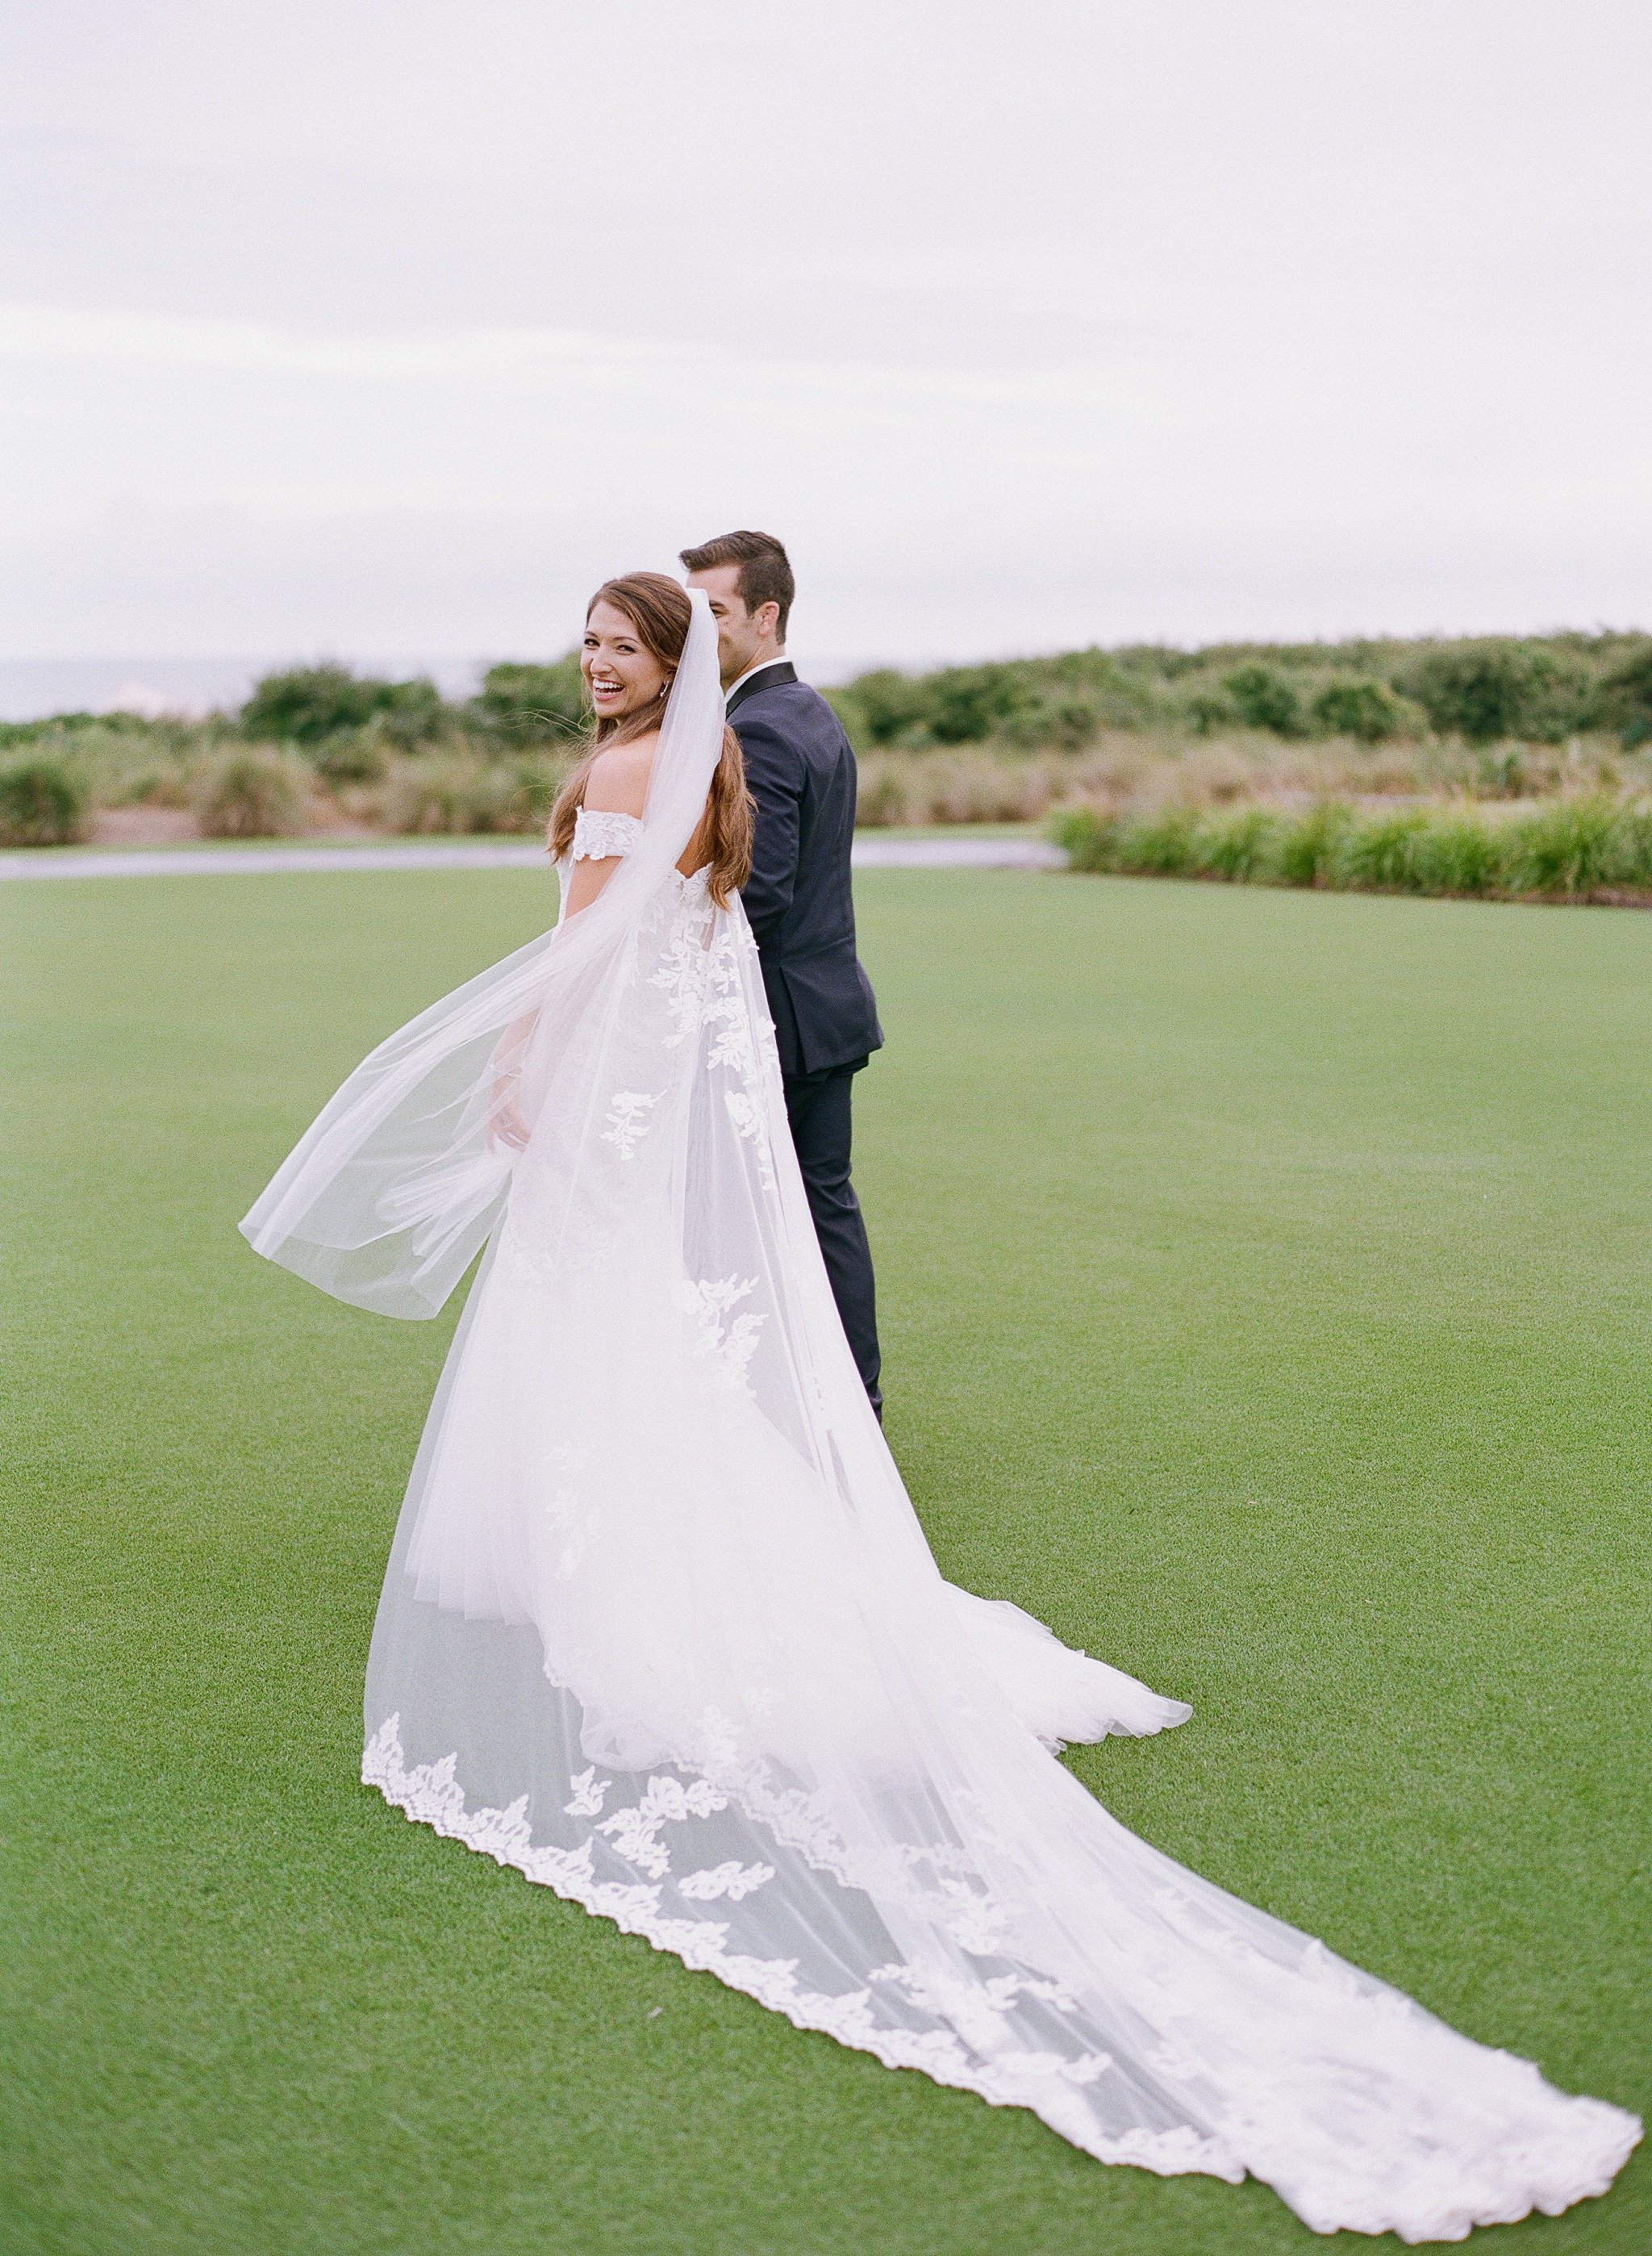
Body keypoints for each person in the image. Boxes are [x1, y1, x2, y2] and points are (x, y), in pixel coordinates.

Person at [240, 575, 1637, 2242]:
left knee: (595, 1335)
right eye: (589, 650)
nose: (596, 669)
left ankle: (615, 1578)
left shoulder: (628, 780)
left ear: (673, 669)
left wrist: (513, 1067)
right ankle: (617, 1553)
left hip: (605, 1092)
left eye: (620, 649)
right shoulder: (708, 776)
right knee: (635, 1346)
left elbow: (579, 951)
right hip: (659, 1091)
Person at [682, 529, 885, 1418]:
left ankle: (832, 1408)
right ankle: (846, 1401)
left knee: (793, 1212)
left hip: (783, 1016)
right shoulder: (807, 709)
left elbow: (755, 894)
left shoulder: (756, 726)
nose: (699, 632)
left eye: (714, 613)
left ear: (765, 616)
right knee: (820, 1207)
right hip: (825, 1003)